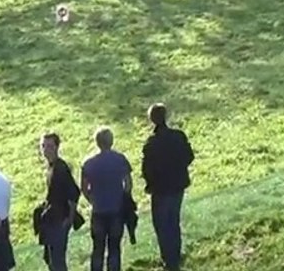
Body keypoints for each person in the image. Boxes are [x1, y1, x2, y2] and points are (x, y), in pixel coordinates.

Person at [141, 104, 194, 271]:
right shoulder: (178, 136)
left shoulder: (151, 143)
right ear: (166, 116)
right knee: (174, 221)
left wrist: (151, 183)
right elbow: (189, 156)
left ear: (151, 120)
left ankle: (168, 260)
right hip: (177, 186)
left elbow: (146, 169)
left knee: (162, 225)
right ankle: (176, 257)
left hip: (160, 190)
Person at [81, 128, 132, 271]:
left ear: (97, 142)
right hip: (116, 209)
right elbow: (128, 183)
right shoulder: (120, 159)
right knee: (114, 248)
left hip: (98, 210)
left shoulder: (89, 163)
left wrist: (92, 199)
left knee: (98, 248)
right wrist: (123, 197)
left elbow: (84, 187)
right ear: (112, 141)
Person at [35, 133, 80, 271]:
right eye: (43, 146)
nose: (46, 150)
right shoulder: (51, 167)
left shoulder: (60, 168)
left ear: (56, 147)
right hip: (52, 218)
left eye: (49, 146)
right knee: (51, 260)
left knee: (57, 262)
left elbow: (74, 193)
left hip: (60, 219)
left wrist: (70, 218)